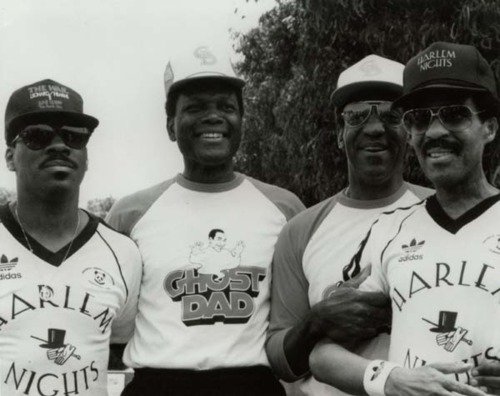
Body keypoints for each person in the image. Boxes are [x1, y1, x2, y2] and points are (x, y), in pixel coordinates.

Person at [106, 45, 305, 396]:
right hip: (158, 384)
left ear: (242, 121)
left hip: (251, 385)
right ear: (171, 125)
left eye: (226, 107)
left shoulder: (285, 208)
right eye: (195, 107)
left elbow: (295, 324)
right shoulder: (129, 215)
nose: (213, 117)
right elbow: (112, 328)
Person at [310, 41, 500, 396]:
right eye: (419, 119)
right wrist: (390, 378)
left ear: (489, 127)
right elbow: (323, 355)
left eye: (455, 114)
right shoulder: (389, 230)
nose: (435, 132)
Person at [266, 54, 433, 396]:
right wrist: (318, 321)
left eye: (392, 115)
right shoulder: (301, 229)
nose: (374, 128)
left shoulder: (442, 213)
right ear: (340, 134)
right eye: (357, 116)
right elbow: (280, 361)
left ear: (411, 131)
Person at [0, 79, 141, 396]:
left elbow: (120, 343)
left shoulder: (122, 253)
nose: (60, 145)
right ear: (10, 157)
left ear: (86, 157)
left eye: (74, 136)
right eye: (37, 135)